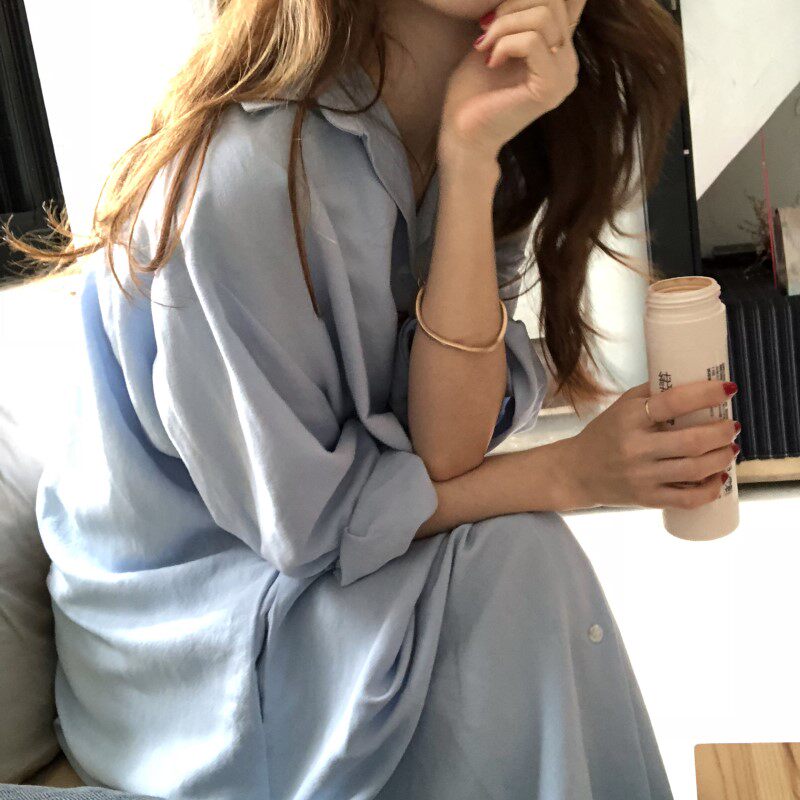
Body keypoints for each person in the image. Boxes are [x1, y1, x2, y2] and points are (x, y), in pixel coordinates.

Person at [4, 0, 741, 796]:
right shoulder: (239, 180)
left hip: (316, 564)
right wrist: (568, 473)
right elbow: (310, 524)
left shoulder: (477, 117)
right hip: (188, 650)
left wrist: (469, 161)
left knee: (517, 563)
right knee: (515, 567)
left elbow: (446, 450)